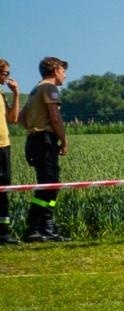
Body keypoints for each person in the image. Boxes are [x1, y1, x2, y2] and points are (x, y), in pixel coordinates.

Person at [21, 56, 69, 242]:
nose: (65, 75)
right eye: (63, 71)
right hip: (45, 141)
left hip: (34, 140)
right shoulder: (49, 88)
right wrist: (64, 140)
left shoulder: (35, 89)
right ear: (55, 70)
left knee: (47, 185)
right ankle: (35, 227)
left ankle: (44, 227)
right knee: (49, 186)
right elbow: (55, 117)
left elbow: (22, 116)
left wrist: (32, 130)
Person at [0, 59, 20, 244]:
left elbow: (13, 119)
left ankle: (3, 232)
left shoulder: (1, 94)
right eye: (5, 73)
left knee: (4, 189)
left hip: (4, 146)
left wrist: (15, 94)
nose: (7, 77)